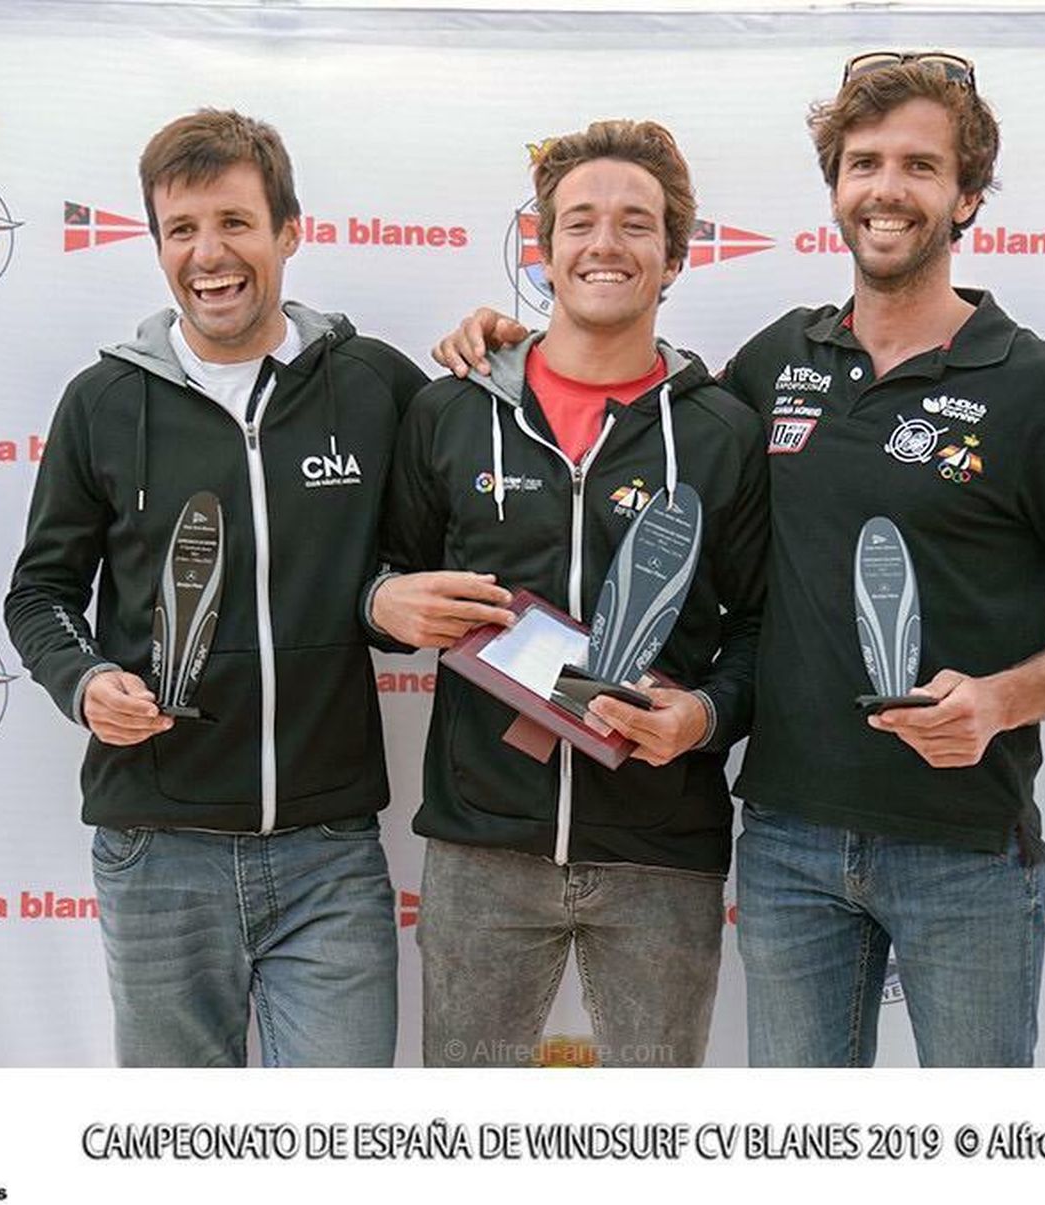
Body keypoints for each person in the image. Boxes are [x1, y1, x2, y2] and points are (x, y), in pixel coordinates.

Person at [432, 55, 1045, 1067]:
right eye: (864, 163)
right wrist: (511, 346)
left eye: (919, 166)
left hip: (962, 848)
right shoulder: (780, 361)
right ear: (834, 189)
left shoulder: (1043, 387)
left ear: (966, 197)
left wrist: (1001, 700)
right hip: (787, 844)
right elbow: (633, 388)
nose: (886, 188)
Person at [4, 109, 426, 1067]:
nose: (209, 255)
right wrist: (83, 680)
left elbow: (439, 535)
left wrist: (502, 343)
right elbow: (40, 593)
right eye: (181, 229)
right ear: (158, 245)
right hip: (156, 847)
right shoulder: (103, 401)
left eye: (235, 222)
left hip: (328, 850)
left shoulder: (371, 383)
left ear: (289, 231)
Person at [372, 120, 768, 1068]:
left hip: (660, 853)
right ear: (543, 252)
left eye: (636, 224)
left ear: (675, 257)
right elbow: (381, 580)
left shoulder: (722, 433)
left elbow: (766, 628)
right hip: (482, 850)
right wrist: (383, 603)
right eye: (580, 221)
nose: (605, 244)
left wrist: (707, 715)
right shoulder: (449, 411)